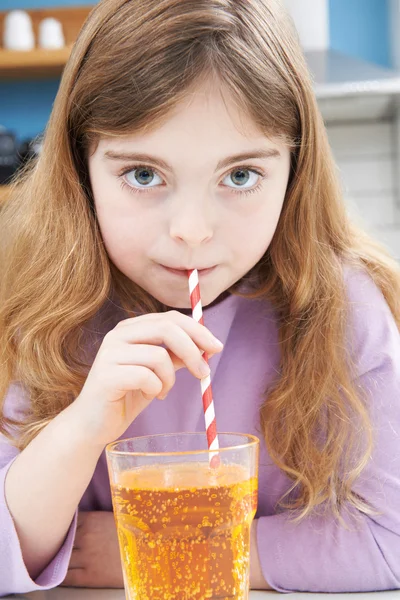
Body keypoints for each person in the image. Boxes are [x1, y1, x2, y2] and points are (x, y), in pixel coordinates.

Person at [1, 0, 400, 595]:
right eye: (142, 174)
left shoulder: (345, 309)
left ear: (294, 171)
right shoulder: (46, 308)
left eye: (240, 175)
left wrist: (191, 548)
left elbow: (389, 539)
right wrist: (81, 429)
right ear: (82, 171)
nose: (191, 229)